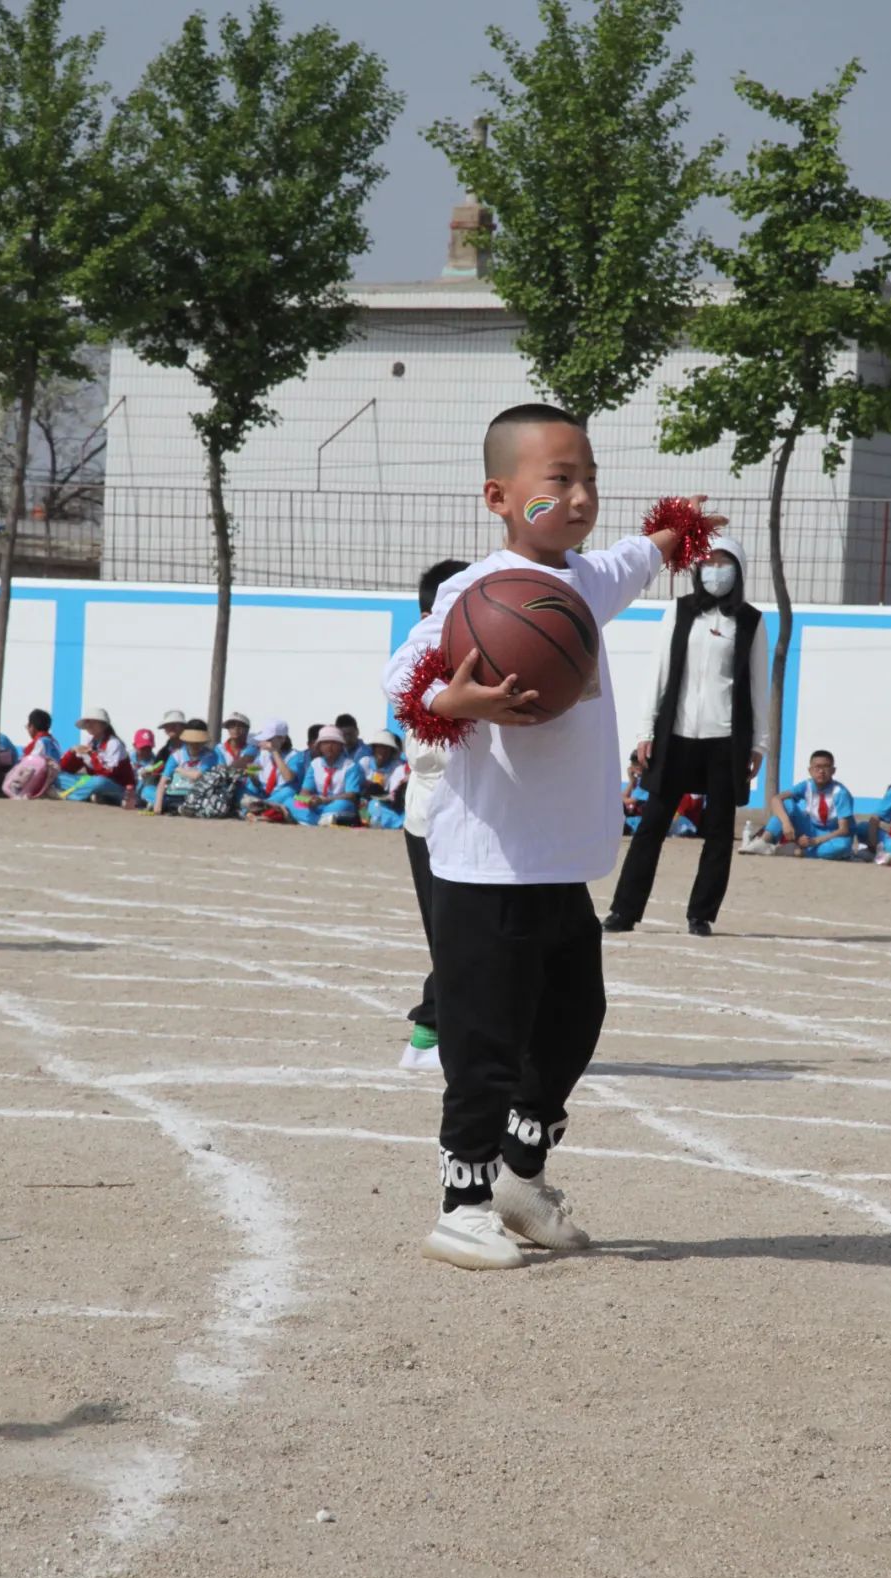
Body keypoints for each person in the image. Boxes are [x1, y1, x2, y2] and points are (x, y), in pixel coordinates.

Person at [383, 402, 704, 1269]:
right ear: (500, 495)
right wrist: (458, 701)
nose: (579, 496)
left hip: (560, 866)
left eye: (589, 479)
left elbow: (650, 553)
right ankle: (461, 1205)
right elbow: (404, 682)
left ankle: (519, 1179)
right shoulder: (475, 594)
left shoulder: (587, 581)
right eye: (556, 481)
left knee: (571, 1023)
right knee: (483, 1042)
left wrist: (680, 534)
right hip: (487, 865)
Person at [603, 535, 767, 938]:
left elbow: (759, 686)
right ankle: (624, 911)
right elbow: (658, 675)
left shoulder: (750, 621)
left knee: (717, 831)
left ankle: (701, 914)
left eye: (724, 562)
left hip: (725, 739)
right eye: (708, 562)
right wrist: (646, 730)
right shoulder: (677, 612)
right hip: (675, 736)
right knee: (652, 825)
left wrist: (758, 743)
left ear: (739, 570)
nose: (715, 570)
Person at [398, 559, 471, 1074]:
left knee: (462, 938)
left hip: (465, 821)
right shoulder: (420, 664)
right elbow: (431, 753)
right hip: (436, 823)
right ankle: (430, 1031)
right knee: (455, 939)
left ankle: (436, 1032)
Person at [746, 750, 855, 859]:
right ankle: (764, 842)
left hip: (830, 835)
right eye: (817, 767)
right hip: (809, 828)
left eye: (826, 767)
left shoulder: (840, 793)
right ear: (810, 770)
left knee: (842, 846)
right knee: (786, 803)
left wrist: (817, 840)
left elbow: (843, 830)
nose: (821, 771)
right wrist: (786, 823)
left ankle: (798, 851)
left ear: (833, 770)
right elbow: (776, 799)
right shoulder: (807, 785)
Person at [289, 725, 364, 826]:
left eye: (334, 743)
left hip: (336, 803)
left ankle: (311, 820)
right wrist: (309, 800)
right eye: (325, 743)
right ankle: (321, 821)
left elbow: (351, 795)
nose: (329, 746)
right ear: (319, 746)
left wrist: (326, 800)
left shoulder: (350, 766)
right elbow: (304, 792)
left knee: (343, 805)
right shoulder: (315, 764)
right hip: (317, 804)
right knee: (292, 801)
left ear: (341, 746)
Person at [57, 708, 135, 804]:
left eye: (93, 722)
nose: (89, 725)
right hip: (94, 783)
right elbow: (66, 768)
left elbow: (107, 773)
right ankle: (87, 794)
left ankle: (72, 795)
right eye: (87, 722)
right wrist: (72, 751)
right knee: (58, 775)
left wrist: (92, 754)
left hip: (119, 788)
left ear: (103, 724)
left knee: (99, 782)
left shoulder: (113, 743)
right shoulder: (89, 741)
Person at [153, 719, 219, 814]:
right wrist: (157, 806)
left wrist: (180, 770)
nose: (195, 745)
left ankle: (178, 807)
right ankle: (176, 807)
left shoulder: (210, 755)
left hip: (201, 795)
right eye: (192, 741)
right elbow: (163, 781)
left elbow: (197, 775)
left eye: (198, 741)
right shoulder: (176, 755)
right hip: (176, 794)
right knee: (148, 791)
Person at [362, 732, 409, 829]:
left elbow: (394, 796)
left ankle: (399, 824)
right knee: (373, 805)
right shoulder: (365, 762)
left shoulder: (396, 766)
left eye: (386, 748)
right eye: (380, 747)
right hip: (366, 802)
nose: (382, 751)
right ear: (374, 748)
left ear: (391, 751)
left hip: (389, 804)